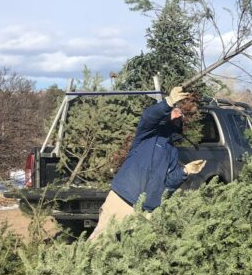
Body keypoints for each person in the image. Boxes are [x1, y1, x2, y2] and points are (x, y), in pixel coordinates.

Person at [88, 86, 206, 242]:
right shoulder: (148, 135)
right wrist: (168, 102)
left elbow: (168, 185)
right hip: (121, 200)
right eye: (176, 109)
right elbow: (148, 117)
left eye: (182, 113)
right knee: (99, 244)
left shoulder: (172, 152)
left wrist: (185, 171)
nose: (179, 113)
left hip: (145, 212)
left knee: (134, 257)